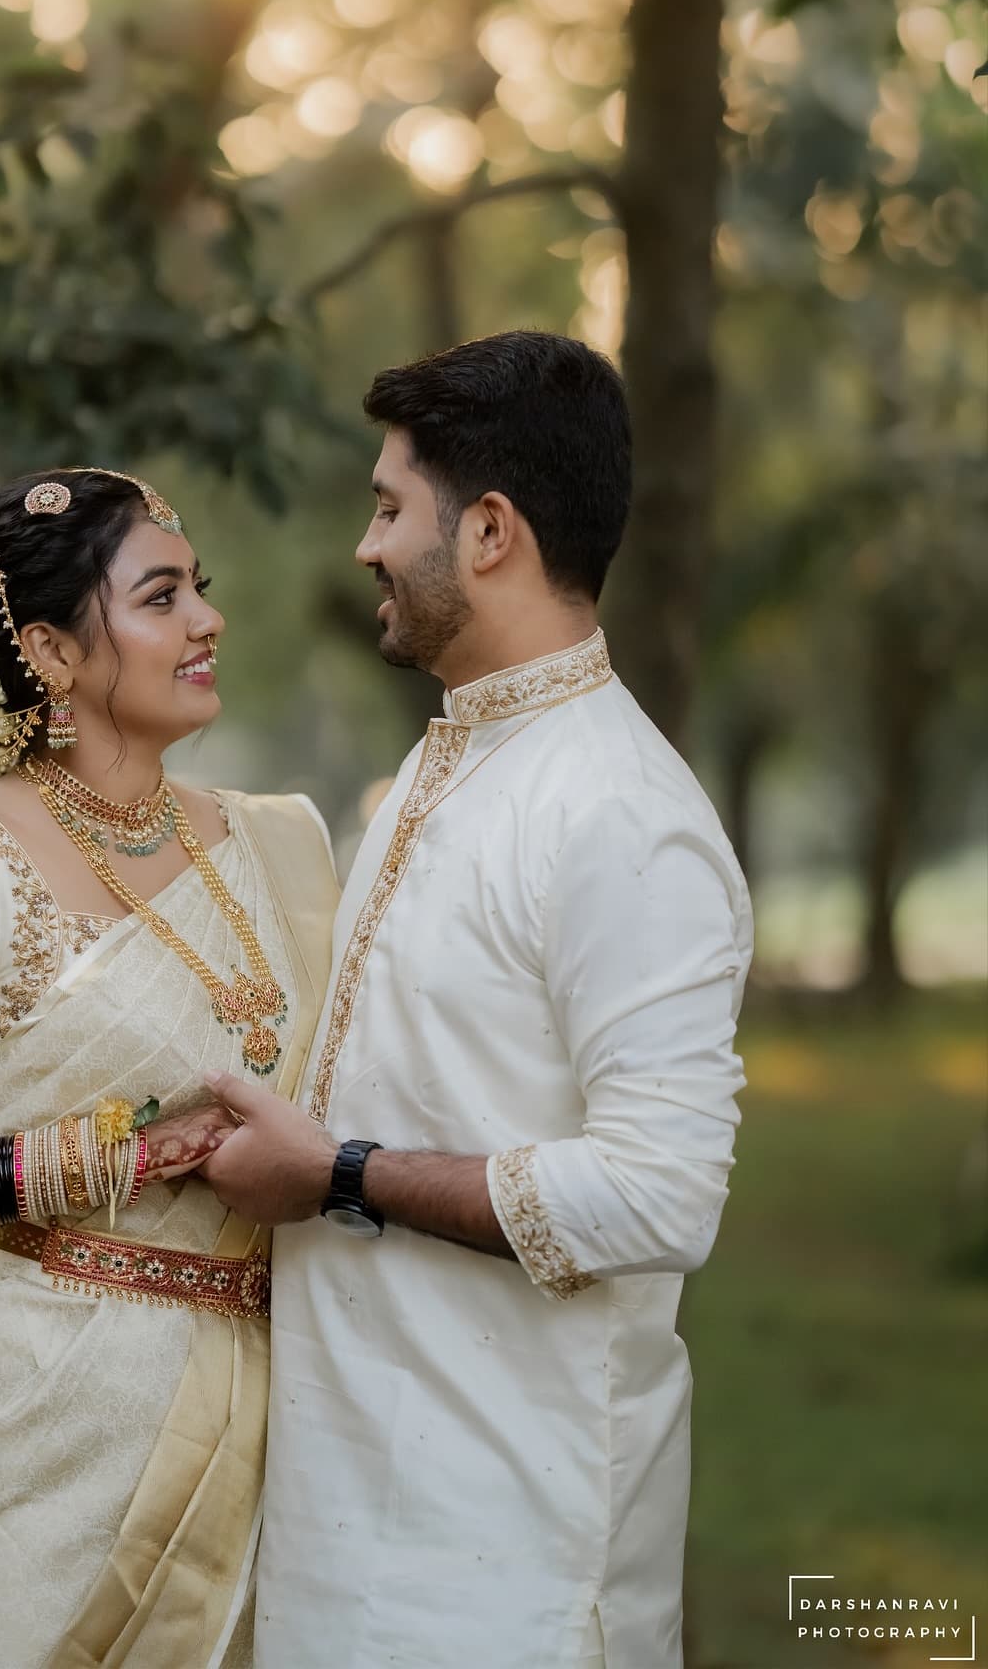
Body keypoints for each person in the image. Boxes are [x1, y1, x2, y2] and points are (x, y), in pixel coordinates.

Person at [197, 331, 753, 1669]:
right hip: (351, 1522)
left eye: (390, 508)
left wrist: (338, 1173)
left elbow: (663, 1195)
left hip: (514, 1567)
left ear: (491, 532)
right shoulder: (440, 769)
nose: (366, 546)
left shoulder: (622, 815)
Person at [0, 467, 338, 1669]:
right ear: (50, 651)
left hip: (274, 1441)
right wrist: (109, 1157)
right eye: (162, 597)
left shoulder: (279, 844)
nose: (208, 621)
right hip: (23, 1470)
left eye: (200, 589)